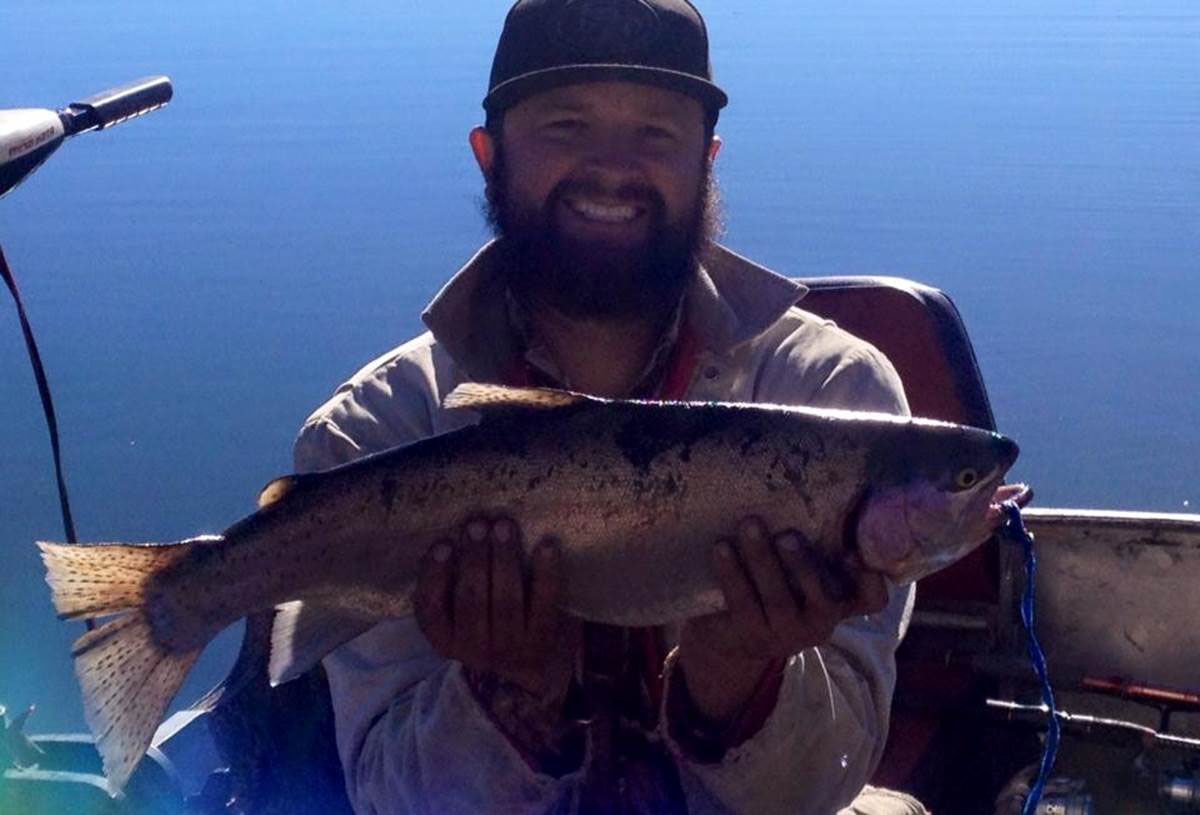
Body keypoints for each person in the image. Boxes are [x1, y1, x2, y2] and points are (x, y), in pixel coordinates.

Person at [294, 1, 931, 812]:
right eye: (567, 125)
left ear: (707, 161)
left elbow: (828, 783)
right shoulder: (372, 436)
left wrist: (740, 675)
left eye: (656, 133)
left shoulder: (837, 400)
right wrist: (507, 693)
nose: (613, 168)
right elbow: (388, 795)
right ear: (489, 156)